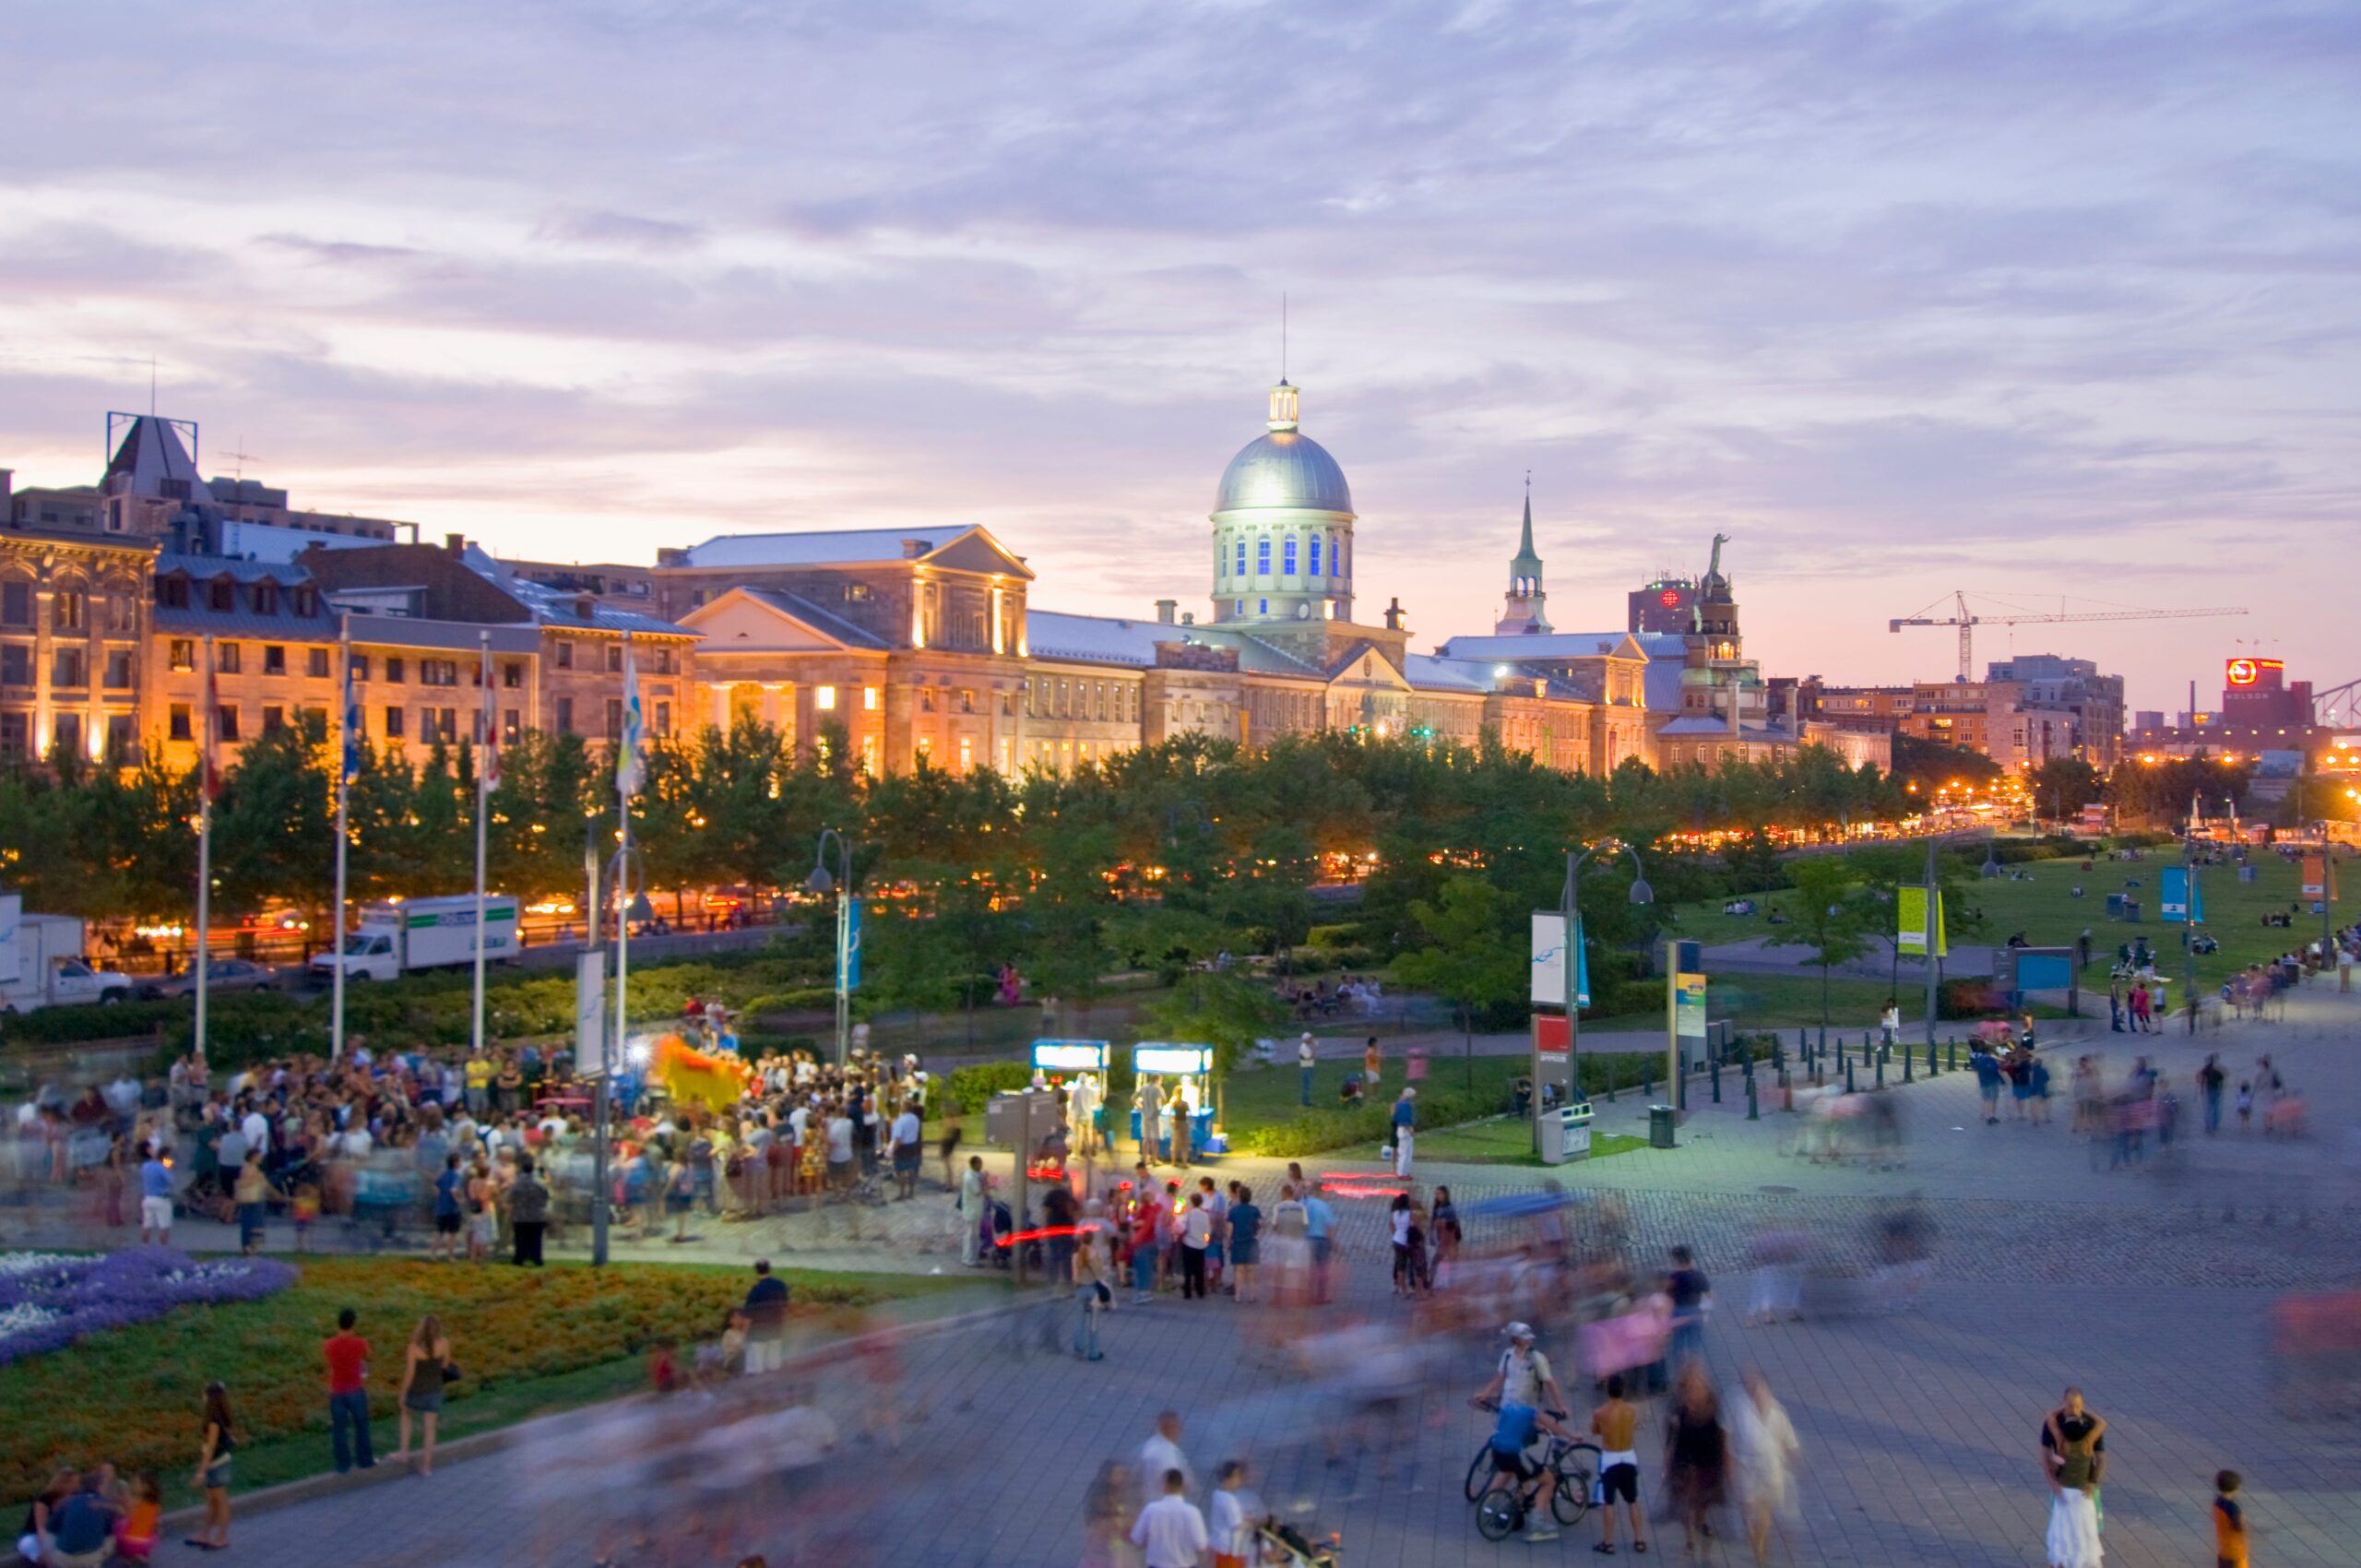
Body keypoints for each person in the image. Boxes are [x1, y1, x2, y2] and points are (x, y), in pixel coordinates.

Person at [1472, 1322, 1570, 1542]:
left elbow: (1550, 1382)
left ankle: (1494, 1502)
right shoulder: (1508, 1356)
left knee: (1510, 1462)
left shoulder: (1537, 1358)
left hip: (1516, 1414)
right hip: (1520, 1415)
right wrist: (1486, 1393)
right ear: (1516, 1340)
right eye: (1525, 1337)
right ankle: (1519, 1502)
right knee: (1515, 1461)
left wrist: (1560, 1403)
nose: (1529, 1340)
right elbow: (1500, 1378)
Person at [1727, 1370, 1799, 1566]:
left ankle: (1759, 1553)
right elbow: (1731, 1440)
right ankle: (1757, 1543)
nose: (1756, 1392)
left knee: (1763, 1515)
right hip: (1747, 1470)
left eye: (1759, 1387)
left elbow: (1789, 1440)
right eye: (1751, 1387)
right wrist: (1730, 1467)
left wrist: (1793, 1460)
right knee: (1750, 1514)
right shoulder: (1741, 1412)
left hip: (1770, 1470)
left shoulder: (1778, 1412)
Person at [1664, 1361, 1727, 1556]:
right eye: (1691, 1385)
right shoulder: (1678, 1407)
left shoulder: (1712, 1403)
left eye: (1698, 1385)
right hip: (1684, 1460)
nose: (1695, 1389)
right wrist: (1666, 1463)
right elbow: (1670, 1437)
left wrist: (1723, 1460)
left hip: (1706, 1460)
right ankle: (1690, 1538)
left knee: (1702, 1502)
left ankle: (1700, 1523)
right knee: (1685, 1503)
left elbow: (1720, 1432)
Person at [2042, 1388, 2105, 1568]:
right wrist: (2085, 1411)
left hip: (2064, 1494)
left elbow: (2051, 1421)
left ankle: (2061, 1564)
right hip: (2084, 1496)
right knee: (2085, 1536)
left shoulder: (2061, 1442)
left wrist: (2056, 1412)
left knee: (2062, 1537)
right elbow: (2102, 1423)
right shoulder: (2088, 1441)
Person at [1590, 1373, 1646, 1556]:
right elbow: (1633, 1426)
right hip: (1628, 1456)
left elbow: (1594, 1430)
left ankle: (1608, 1542)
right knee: (1632, 1500)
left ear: (1607, 1390)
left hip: (1610, 1458)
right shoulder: (1631, 1410)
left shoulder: (1600, 1412)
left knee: (1609, 1502)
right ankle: (1639, 1540)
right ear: (1623, 1390)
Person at [391, 1314, 453, 1474]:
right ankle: (426, 1467)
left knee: (406, 1416)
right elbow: (445, 1365)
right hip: (434, 1390)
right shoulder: (444, 1343)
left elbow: (410, 1373)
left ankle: (404, 1453)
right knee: (430, 1429)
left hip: (416, 1390)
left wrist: (403, 1393)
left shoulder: (413, 1347)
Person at [184, 1384, 235, 1552]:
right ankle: (204, 1534)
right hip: (217, 1463)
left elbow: (210, 1448)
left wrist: (201, 1472)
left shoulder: (214, 1421)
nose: (202, 1397)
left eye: (205, 1395)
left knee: (220, 1501)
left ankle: (221, 1537)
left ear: (210, 1398)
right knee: (212, 1502)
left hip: (217, 1464)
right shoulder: (217, 1418)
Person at [325, 1307, 375, 1473]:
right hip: (355, 1389)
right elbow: (369, 1356)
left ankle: (343, 1465)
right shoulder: (361, 1343)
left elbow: (329, 1363)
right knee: (361, 1426)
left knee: (339, 1429)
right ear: (354, 1323)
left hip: (337, 1391)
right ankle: (365, 1460)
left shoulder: (329, 1344)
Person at [1130, 1467, 1209, 1568]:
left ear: (1164, 1485)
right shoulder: (1192, 1512)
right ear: (1182, 1486)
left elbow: (1137, 1541)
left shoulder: (1151, 1510)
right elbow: (1201, 1546)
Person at [42, 1473, 118, 1568]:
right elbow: (109, 1531)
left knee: (50, 1536)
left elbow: (50, 1527)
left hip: (63, 1558)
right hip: (90, 1557)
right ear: (99, 1486)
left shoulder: (69, 1501)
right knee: (112, 1538)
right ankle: (95, 1564)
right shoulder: (104, 1503)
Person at [1666, 1245, 1711, 1371]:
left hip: (1678, 1312)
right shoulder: (1699, 1275)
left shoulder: (1673, 1277)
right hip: (1695, 1312)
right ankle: (1695, 1370)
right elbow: (1709, 1295)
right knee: (1695, 1343)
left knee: (1678, 1343)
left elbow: (1667, 1296)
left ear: (1676, 1260)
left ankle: (1680, 1371)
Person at [1208, 1459, 1259, 1568]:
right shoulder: (1229, 1499)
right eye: (1237, 1477)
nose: (1239, 1482)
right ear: (1229, 1479)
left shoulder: (1217, 1494)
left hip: (1217, 1546)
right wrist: (1252, 1523)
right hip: (1229, 1549)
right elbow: (1237, 1525)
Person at [1138, 1411, 1195, 1507]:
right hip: (1167, 1506)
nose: (1176, 1431)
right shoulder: (1164, 1451)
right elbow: (1174, 1481)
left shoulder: (1151, 1446)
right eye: (1172, 1427)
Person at [508, 1154, 549, 1266]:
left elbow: (511, 1197)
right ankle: (536, 1258)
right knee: (536, 1238)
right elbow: (545, 1197)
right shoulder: (539, 1183)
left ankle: (519, 1257)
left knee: (520, 1238)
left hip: (520, 1215)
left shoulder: (517, 1184)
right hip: (536, 1215)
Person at [1179, 1191, 1213, 1300]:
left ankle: (1187, 1292)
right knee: (1199, 1269)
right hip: (1201, 1245)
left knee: (1187, 1269)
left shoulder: (1188, 1214)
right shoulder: (1205, 1215)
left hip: (1188, 1243)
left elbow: (1183, 1228)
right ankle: (1200, 1290)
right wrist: (1206, 1241)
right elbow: (1207, 1231)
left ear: (1192, 1202)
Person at [138, 1143, 173, 1244]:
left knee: (147, 1224)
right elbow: (170, 1180)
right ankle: (164, 1249)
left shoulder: (145, 1166)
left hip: (148, 1198)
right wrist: (168, 1166)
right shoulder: (161, 1167)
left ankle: (144, 1247)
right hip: (161, 1199)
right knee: (164, 1226)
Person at [2213, 1469, 2248, 1568]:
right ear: (2235, 1487)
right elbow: (2238, 1527)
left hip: (2224, 1550)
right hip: (2235, 1553)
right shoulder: (2233, 1508)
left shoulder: (2218, 1502)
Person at [1972, 1041, 2004, 1125]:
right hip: (1992, 1082)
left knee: (1986, 1099)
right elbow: (1995, 1071)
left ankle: (1987, 1116)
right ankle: (1992, 1116)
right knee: (1993, 1099)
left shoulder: (1979, 1060)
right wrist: (2002, 1080)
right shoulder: (1991, 1060)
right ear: (1990, 1052)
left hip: (1983, 1082)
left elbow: (1977, 1070)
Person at [1389, 1088, 1416, 1178]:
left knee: (1405, 1152)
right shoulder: (1407, 1105)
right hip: (1405, 1129)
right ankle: (1402, 1173)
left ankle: (1404, 1172)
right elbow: (1405, 1119)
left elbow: (1394, 1118)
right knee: (1405, 1153)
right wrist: (1410, 1129)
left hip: (1400, 1129)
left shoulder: (1398, 1104)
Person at [2199, 1055, 2226, 1135]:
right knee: (2215, 1108)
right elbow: (2221, 1080)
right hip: (2216, 1090)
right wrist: (2221, 1090)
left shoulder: (2205, 1070)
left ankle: (2207, 1125)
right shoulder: (2217, 1071)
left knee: (2208, 1108)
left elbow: (2203, 1080)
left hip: (2209, 1090)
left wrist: (2201, 1089)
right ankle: (2214, 1125)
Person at [1298, 1032, 1317, 1107]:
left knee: (1308, 1085)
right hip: (1306, 1068)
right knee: (1306, 1085)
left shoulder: (1307, 1046)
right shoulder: (1303, 1047)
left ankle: (1307, 1101)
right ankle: (1305, 1102)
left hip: (1308, 1067)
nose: (1312, 1040)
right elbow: (1308, 1058)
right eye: (1310, 1038)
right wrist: (1315, 1048)